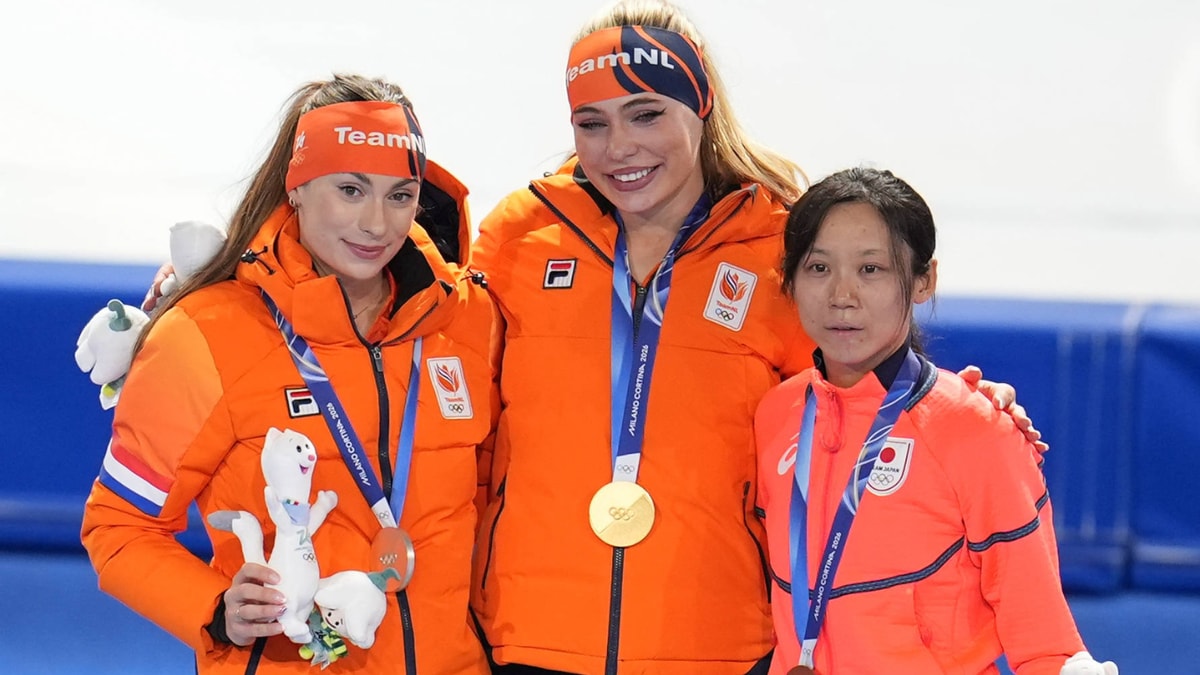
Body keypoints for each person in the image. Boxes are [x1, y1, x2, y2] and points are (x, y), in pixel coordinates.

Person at [469, 2, 1041, 674]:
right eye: (591, 123)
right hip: (530, 638)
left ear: (701, 104)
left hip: (719, 645)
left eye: (647, 114)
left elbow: (854, 413)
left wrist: (961, 408)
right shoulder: (519, 238)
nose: (618, 147)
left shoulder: (779, 244)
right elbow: (456, 414)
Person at [80, 74, 497, 675]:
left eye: (400, 195)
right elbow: (118, 528)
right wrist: (216, 608)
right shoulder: (206, 334)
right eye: (351, 190)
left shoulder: (464, 319)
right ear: (296, 187)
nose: (378, 224)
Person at [754, 167, 1117, 674]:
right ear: (789, 280)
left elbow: (1044, 640)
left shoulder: (974, 428)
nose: (842, 295)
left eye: (871, 269)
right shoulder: (776, 414)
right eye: (818, 268)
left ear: (924, 280)